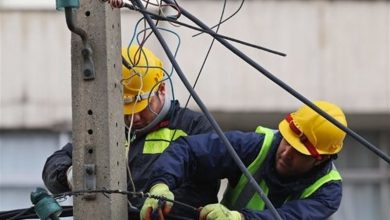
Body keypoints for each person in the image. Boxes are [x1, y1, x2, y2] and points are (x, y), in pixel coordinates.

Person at [42, 45, 219, 219]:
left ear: (162, 90)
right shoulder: (108, 132)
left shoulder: (194, 128)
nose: (134, 117)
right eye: (126, 109)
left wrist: (154, 207)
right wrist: (71, 176)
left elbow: (203, 189)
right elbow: (55, 163)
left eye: (141, 107)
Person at [140, 101, 347, 220]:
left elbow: (287, 218)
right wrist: (160, 185)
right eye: (287, 141)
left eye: (299, 152)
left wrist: (239, 218)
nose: (285, 153)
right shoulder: (256, 146)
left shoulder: (327, 191)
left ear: (321, 159)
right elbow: (189, 150)